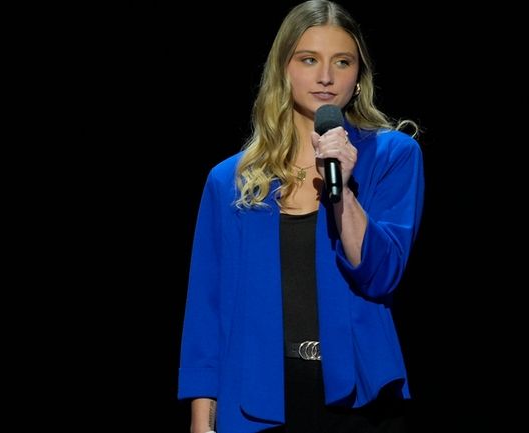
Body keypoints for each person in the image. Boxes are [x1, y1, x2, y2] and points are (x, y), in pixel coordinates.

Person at [178, 1, 424, 432]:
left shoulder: (392, 156)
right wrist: (203, 423)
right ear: (284, 69)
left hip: (357, 401)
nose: (326, 76)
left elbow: (381, 274)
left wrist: (343, 190)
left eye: (342, 62)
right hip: (259, 396)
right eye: (309, 59)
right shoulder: (229, 181)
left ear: (358, 76)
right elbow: (207, 312)